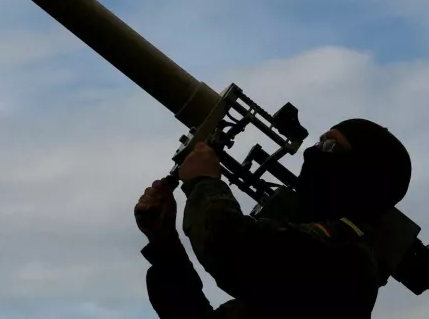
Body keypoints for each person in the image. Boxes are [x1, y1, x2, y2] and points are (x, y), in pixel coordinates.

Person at [134, 118, 412, 318]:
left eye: (330, 145)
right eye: (320, 141)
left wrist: (204, 183)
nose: (313, 152)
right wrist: (165, 246)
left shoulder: (347, 257)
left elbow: (231, 249)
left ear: (364, 177)